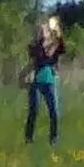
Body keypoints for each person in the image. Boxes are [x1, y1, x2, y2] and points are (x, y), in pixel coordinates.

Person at [24, 13, 65, 144]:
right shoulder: (34, 47)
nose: (42, 33)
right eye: (40, 31)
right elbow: (41, 56)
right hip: (36, 82)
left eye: (44, 31)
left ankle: (54, 139)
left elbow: (61, 49)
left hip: (49, 82)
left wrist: (58, 36)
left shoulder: (54, 44)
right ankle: (28, 138)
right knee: (33, 111)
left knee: (54, 112)